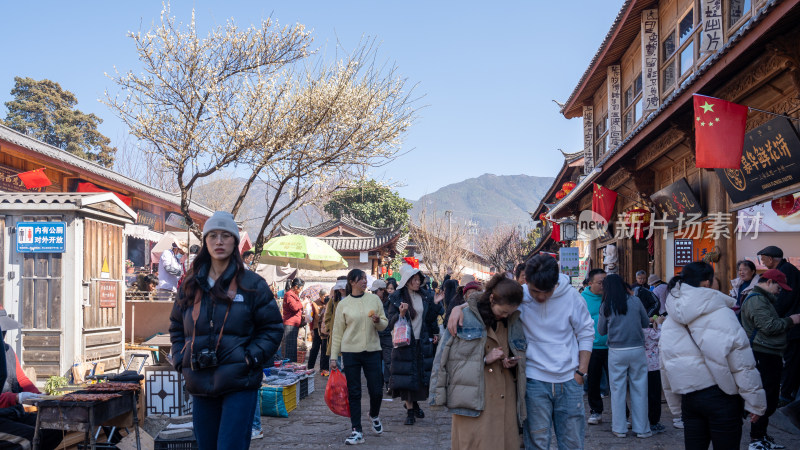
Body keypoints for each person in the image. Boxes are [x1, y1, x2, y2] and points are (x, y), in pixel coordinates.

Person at [450, 253, 594, 449]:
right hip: (534, 380)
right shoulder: (521, 295)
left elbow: (586, 332)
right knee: (536, 442)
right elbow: (488, 300)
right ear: (526, 281)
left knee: (572, 443)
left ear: (555, 284)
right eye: (536, 291)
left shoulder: (572, 297)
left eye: (547, 292)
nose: (541, 297)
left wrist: (581, 372)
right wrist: (459, 307)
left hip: (569, 380)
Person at [169, 211, 283, 450]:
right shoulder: (191, 284)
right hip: (200, 381)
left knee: (230, 446)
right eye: (213, 236)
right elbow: (177, 327)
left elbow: (272, 328)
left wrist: (250, 357)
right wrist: (181, 359)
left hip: (238, 381)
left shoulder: (252, 285)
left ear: (235, 242)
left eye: (225, 236)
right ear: (205, 242)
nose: (219, 241)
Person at [659, 261, 766, 450]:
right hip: (721, 396)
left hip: (689, 398)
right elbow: (740, 362)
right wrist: (755, 403)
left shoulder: (671, 319)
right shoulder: (721, 314)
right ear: (707, 283)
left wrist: (675, 407)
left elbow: (666, 365)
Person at [430, 274, 526, 449]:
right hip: (473, 396)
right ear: (491, 299)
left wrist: (510, 362)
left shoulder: (512, 320)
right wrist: (484, 359)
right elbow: (445, 358)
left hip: (504, 395)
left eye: (509, 313)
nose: (504, 315)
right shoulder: (463, 317)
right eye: (502, 311)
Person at [740, 269, 800, 450]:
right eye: (778, 287)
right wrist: (791, 320)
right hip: (763, 353)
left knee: (768, 397)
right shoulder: (757, 300)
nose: (779, 291)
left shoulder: (760, 299)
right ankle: (757, 439)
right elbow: (769, 326)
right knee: (764, 397)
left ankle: (761, 436)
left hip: (767, 352)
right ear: (768, 282)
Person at [330, 269, 389, 445]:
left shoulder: (374, 299)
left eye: (365, 279)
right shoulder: (343, 304)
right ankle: (357, 430)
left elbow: (384, 325)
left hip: (372, 351)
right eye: (361, 279)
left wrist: (379, 321)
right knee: (354, 392)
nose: (365, 282)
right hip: (350, 353)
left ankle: (374, 414)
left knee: (376, 390)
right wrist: (333, 357)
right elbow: (337, 332)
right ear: (352, 282)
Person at [387, 263, 444, 425]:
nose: (418, 282)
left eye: (419, 279)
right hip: (404, 343)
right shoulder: (396, 298)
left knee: (418, 377)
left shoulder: (425, 295)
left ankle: (415, 405)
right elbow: (390, 323)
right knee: (406, 378)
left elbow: (430, 318)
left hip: (422, 342)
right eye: (414, 279)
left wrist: (435, 305)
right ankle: (410, 412)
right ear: (407, 281)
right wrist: (401, 314)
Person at [597, 274, 650, 439]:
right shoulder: (635, 301)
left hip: (616, 351)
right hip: (637, 349)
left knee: (617, 390)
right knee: (640, 388)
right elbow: (646, 323)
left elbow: (601, 331)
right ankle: (642, 429)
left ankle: (619, 428)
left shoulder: (606, 305)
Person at [0, 313, 62, 450]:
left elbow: (21, 380)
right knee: (29, 437)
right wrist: (16, 397)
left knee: (55, 428)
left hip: (13, 412)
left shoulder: (8, 350)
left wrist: (38, 396)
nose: (3, 335)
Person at [757, 246, 800, 405]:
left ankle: (786, 395)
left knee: (791, 361)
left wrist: (770, 314)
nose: (762, 262)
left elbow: (785, 299)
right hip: (788, 323)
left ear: (771, 258)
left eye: (763, 259)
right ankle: (786, 393)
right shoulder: (785, 269)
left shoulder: (787, 270)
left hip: (792, 325)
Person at [582, 268, 608, 425]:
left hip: (612, 346)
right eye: (600, 282)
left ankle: (623, 414)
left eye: (606, 281)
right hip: (592, 346)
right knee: (593, 381)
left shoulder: (610, 296)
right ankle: (596, 411)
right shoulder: (582, 299)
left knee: (616, 382)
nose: (603, 285)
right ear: (590, 283)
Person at [644, 314, 666, 435]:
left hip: (641, 366)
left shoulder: (639, 329)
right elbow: (662, 336)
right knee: (654, 395)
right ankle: (653, 421)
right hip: (653, 366)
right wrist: (660, 323)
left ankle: (643, 419)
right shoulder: (648, 331)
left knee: (643, 394)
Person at [371, 279, 393, 391]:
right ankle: (378, 384)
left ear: (383, 290)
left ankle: (389, 384)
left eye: (377, 291)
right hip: (375, 335)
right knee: (375, 362)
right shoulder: (372, 301)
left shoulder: (390, 302)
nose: (375, 294)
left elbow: (391, 318)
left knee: (388, 360)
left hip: (387, 335)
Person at [281, 278, 305, 362]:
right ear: (295, 287)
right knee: (290, 348)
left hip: (293, 324)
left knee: (292, 346)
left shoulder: (293, 295)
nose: (300, 290)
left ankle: (292, 365)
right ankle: (289, 366)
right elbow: (294, 307)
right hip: (290, 324)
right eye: (300, 288)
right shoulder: (289, 294)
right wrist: (302, 303)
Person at [324, 277, 348, 358]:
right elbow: (328, 315)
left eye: (343, 287)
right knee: (335, 356)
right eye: (340, 287)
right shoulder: (334, 300)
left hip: (348, 332)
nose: (342, 289)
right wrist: (329, 327)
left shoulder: (352, 299)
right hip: (335, 331)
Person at [307, 289, 330, 375]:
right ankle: (310, 367)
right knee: (315, 349)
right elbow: (311, 318)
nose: (326, 297)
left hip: (325, 330)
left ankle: (323, 368)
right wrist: (311, 329)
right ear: (320, 296)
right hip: (317, 329)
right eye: (325, 296)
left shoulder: (329, 303)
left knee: (325, 350)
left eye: (327, 296)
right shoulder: (314, 303)